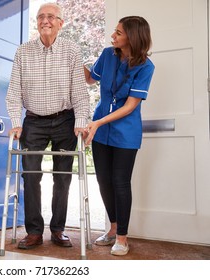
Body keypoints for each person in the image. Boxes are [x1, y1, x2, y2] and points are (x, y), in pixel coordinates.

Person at [5, 3, 89, 250]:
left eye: (51, 17)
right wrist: (16, 123)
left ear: (61, 23)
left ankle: (58, 229)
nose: (45, 20)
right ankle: (33, 231)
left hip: (65, 120)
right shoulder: (23, 52)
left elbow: (80, 94)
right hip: (33, 120)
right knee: (31, 176)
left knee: (62, 177)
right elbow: (13, 93)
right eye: (41, 17)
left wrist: (81, 122)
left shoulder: (71, 50)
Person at [83, 16, 155, 256]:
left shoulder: (146, 66)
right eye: (114, 32)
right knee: (103, 180)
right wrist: (73, 58)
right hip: (100, 129)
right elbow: (90, 79)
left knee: (120, 182)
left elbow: (131, 105)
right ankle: (112, 229)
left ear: (132, 38)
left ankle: (123, 238)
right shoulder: (107, 55)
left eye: (118, 33)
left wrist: (99, 121)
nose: (113, 36)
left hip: (125, 133)